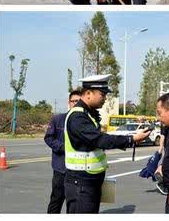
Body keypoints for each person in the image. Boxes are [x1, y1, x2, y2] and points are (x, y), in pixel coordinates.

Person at [64, 75, 151, 213]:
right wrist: (131, 139)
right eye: (102, 94)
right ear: (88, 93)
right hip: (81, 182)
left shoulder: (88, 114)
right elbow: (100, 140)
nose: (105, 98)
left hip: (89, 180)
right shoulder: (78, 117)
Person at [44, 90, 82, 213]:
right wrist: (63, 147)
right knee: (56, 199)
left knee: (74, 202)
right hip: (61, 168)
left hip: (78, 169)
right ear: (69, 103)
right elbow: (48, 138)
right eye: (73, 101)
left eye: (78, 101)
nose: (76, 104)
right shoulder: (58, 119)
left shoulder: (84, 122)